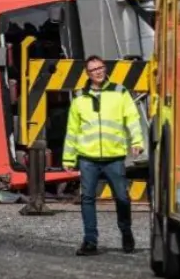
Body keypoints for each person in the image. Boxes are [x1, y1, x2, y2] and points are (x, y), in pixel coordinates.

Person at [61, 55, 144, 256]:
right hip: (87, 158)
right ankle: (90, 241)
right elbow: (73, 130)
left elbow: (132, 118)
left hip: (114, 156)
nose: (98, 72)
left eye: (100, 68)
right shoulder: (79, 96)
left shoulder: (119, 91)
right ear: (87, 74)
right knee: (87, 199)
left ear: (105, 69)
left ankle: (126, 232)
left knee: (122, 198)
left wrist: (137, 141)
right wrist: (68, 158)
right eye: (93, 70)